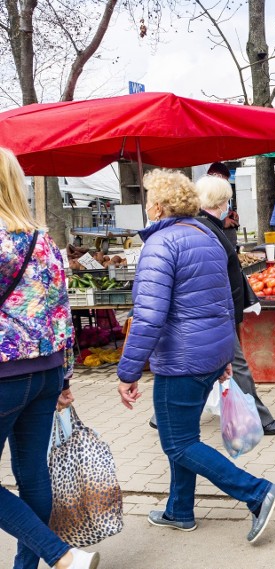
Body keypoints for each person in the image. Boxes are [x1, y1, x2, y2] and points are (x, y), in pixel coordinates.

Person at [117, 169, 275, 543]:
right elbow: (223, 301)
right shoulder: (207, 236)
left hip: (182, 359)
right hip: (208, 353)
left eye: (148, 199)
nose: (146, 205)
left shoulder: (161, 245)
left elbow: (148, 316)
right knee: (185, 436)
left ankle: (257, 492)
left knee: (177, 442)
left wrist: (127, 371)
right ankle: (179, 510)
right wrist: (224, 354)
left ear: (158, 204)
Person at [0, 148, 99, 569]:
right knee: (33, 476)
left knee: (33, 476)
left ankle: (61, 555)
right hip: (44, 370)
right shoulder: (45, 242)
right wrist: (64, 378)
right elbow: (63, 311)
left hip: (4, 374)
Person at [148, 175, 275, 436]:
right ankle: (261, 418)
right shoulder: (205, 228)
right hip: (213, 315)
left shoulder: (207, 225)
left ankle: (161, 415)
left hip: (209, 313)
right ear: (221, 201)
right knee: (236, 366)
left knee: (203, 369)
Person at [207, 162, 239, 248]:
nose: (226, 184)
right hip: (216, 246)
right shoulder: (204, 196)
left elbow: (225, 212)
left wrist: (231, 213)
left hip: (229, 245)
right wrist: (223, 222)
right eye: (224, 181)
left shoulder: (220, 194)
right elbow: (202, 219)